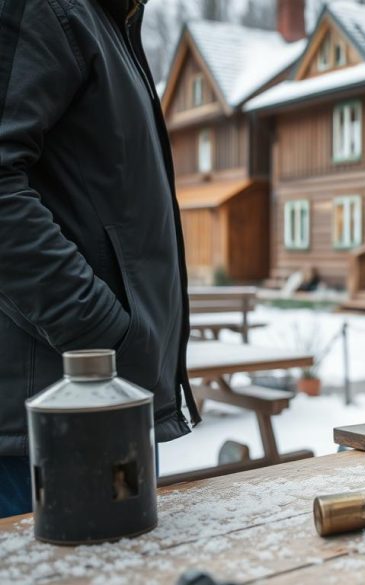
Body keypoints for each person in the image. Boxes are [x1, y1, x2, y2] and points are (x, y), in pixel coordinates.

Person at [0, 0, 200, 518]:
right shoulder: (48, 8)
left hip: (103, 402)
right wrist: (104, 339)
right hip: (49, 421)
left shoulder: (108, 21)